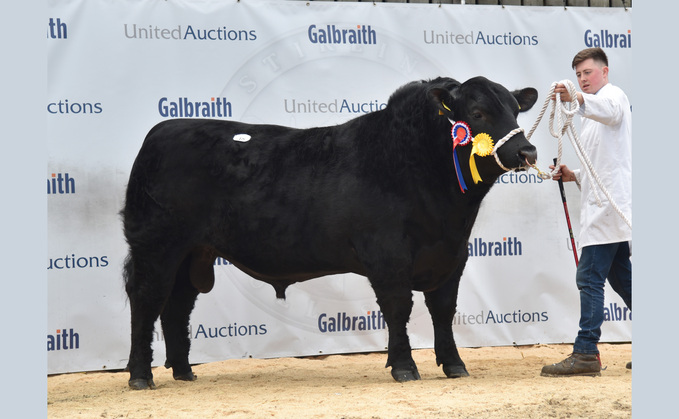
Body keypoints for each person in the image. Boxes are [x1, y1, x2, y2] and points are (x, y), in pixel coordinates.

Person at [541, 47, 632, 377]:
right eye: (579, 74)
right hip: (607, 207)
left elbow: (609, 111)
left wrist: (576, 98)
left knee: (589, 276)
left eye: (588, 73)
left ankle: (585, 353)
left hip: (608, 209)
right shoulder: (592, 115)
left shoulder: (613, 97)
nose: (583, 78)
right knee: (624, 281)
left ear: (604, 72)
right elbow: (601, 166)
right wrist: (573, 174)